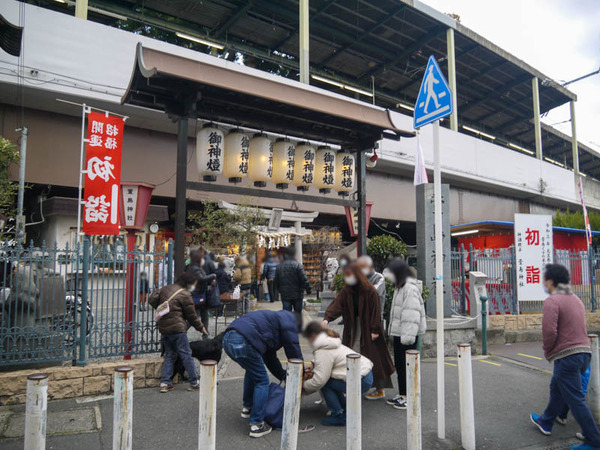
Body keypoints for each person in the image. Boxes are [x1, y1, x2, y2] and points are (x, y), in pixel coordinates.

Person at [530, 264, 600, 450]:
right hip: (584, 354)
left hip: (568, 356)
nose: (544, 283)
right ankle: (547, 421)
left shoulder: (553, 301)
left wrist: (548, 351)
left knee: (576, 399)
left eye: (545, 279)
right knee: (557, 387)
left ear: (551, 281)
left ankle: (594, 440)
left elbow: (549, 332)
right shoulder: (576, 299)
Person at [223, 309, 303, 438]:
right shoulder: (289, 324)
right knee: (262, 381)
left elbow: (270, 359)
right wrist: (300, 374)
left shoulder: (272, 322)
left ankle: (247, 408)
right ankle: (257, 425)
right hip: (244, 341)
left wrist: (283, 375)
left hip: (228, 339)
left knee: (252, 371)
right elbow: (294, 350)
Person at [323, 262, 395, 401]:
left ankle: (379, 389)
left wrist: (375, 330)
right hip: (353, 327)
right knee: (351, 353)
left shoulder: (369, 290)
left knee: (374, 358)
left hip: (368, 328)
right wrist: (327, 318)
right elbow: (338, 304)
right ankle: (350, 385)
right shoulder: (347, 290)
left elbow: (376, 311)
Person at [302, 321, 374, 426]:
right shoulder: (328, 341)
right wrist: (314, 363)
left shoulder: (322, 350)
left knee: (325, 383)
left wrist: (303, 386)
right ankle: (345, 408)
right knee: (330, 381)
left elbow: (319, 380)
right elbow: (334, 356)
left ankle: (338, 414)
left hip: (359, 379)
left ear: (313, 335)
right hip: (366, 374)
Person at [148, 272, 208, 393]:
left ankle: (165, 383)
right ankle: (194, 382)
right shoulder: (185, 294)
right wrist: (201, 328)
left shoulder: (165, 289)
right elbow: (192, 316)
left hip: (164, 329)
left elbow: (152, 299)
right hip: (178, 330)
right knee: (186, 354)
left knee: (170, 355)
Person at [383, 258, 426, 409]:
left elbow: (411, 315)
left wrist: (407, 338)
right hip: (400, 334)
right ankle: (403, 394)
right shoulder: (400, 287)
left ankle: (409, 396)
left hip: (406, 336)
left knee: (407, 366)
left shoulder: (409, 288)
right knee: (400, 365)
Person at [186, 249, 216, 334]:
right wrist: (212, 276)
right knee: (194, 316)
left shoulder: (196, 267)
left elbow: (203, 278)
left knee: (203, 315)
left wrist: (210, 281)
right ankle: (183, 331)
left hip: (200, 293)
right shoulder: (194, 268)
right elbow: (201, 279)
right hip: (197, 295)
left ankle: (205, 332)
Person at [274, 245, 311, 312]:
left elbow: (276, 281)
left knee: (286, 315)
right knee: (297, 315)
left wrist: (280, 290)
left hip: (285, 294)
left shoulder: (280, 266)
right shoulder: (298, 265)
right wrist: (308, 290)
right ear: (294, 254)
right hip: (297, 294)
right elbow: (304, 279)